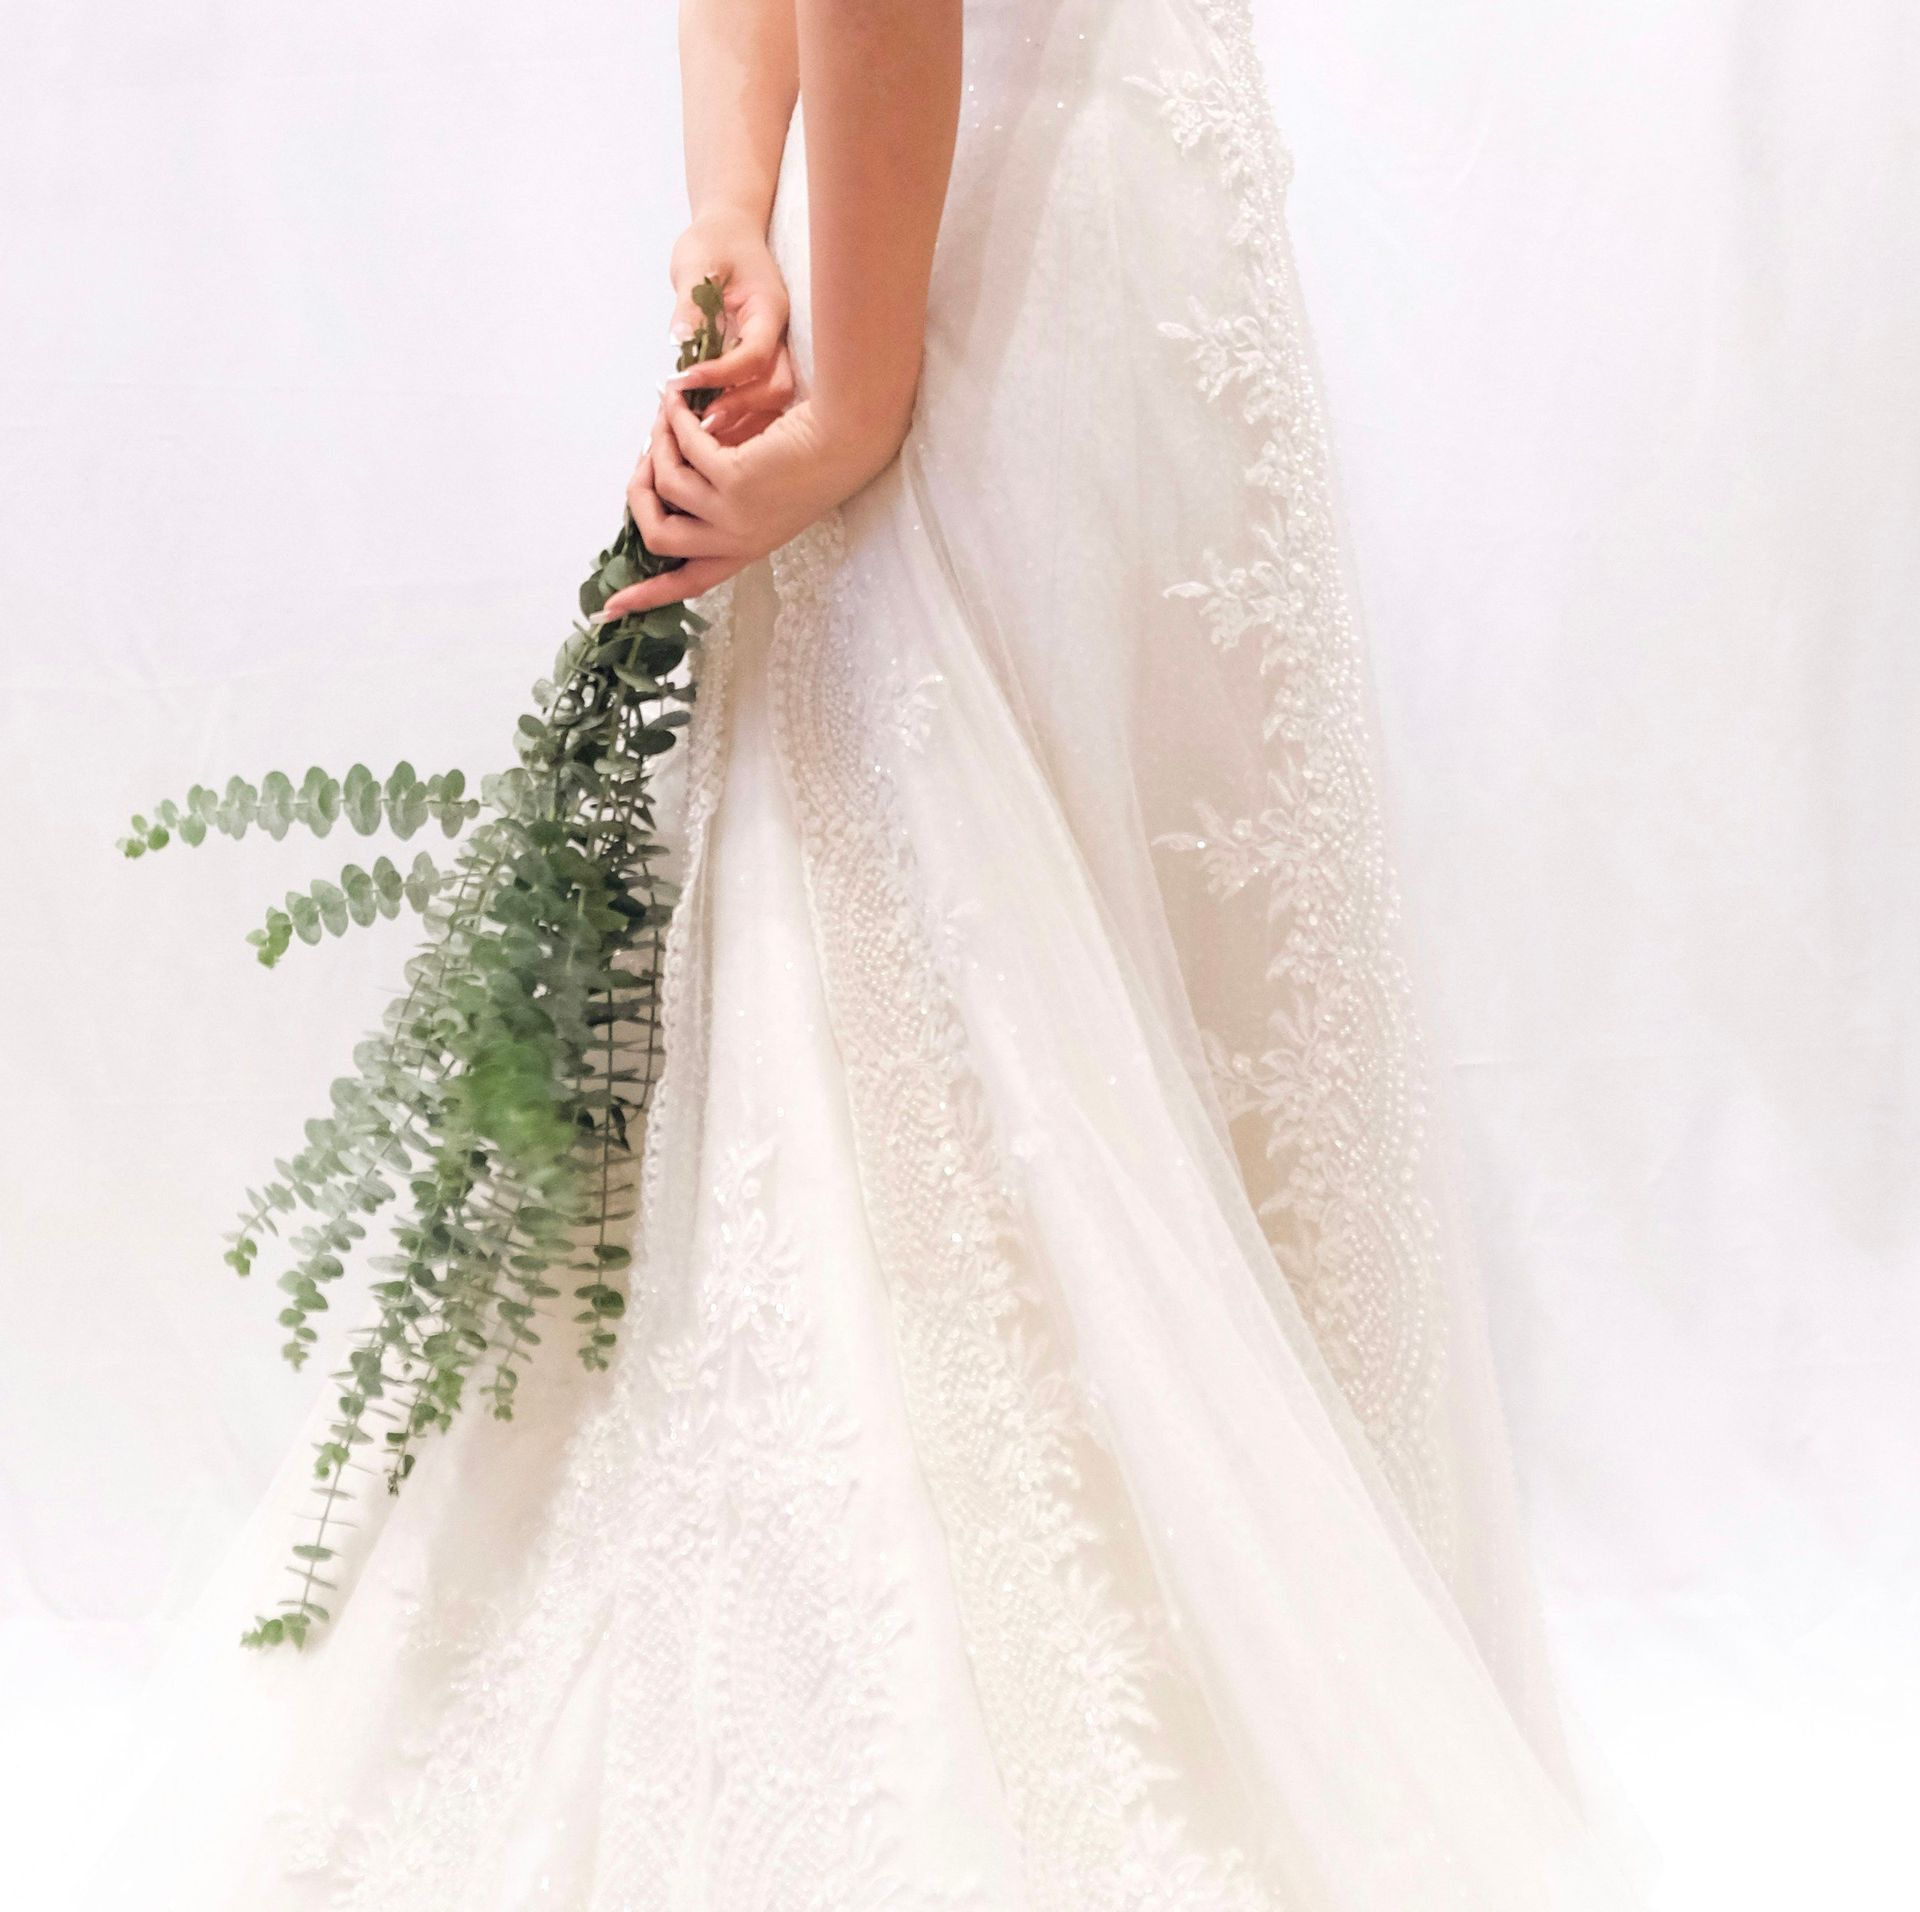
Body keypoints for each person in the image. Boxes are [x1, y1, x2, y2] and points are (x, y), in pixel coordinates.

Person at [78, 1, 1642, 1904]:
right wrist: (792, 292)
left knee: (969, 936)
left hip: (974, 241)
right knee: (1003, 943)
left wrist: (791, 280)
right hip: (1032, 237)